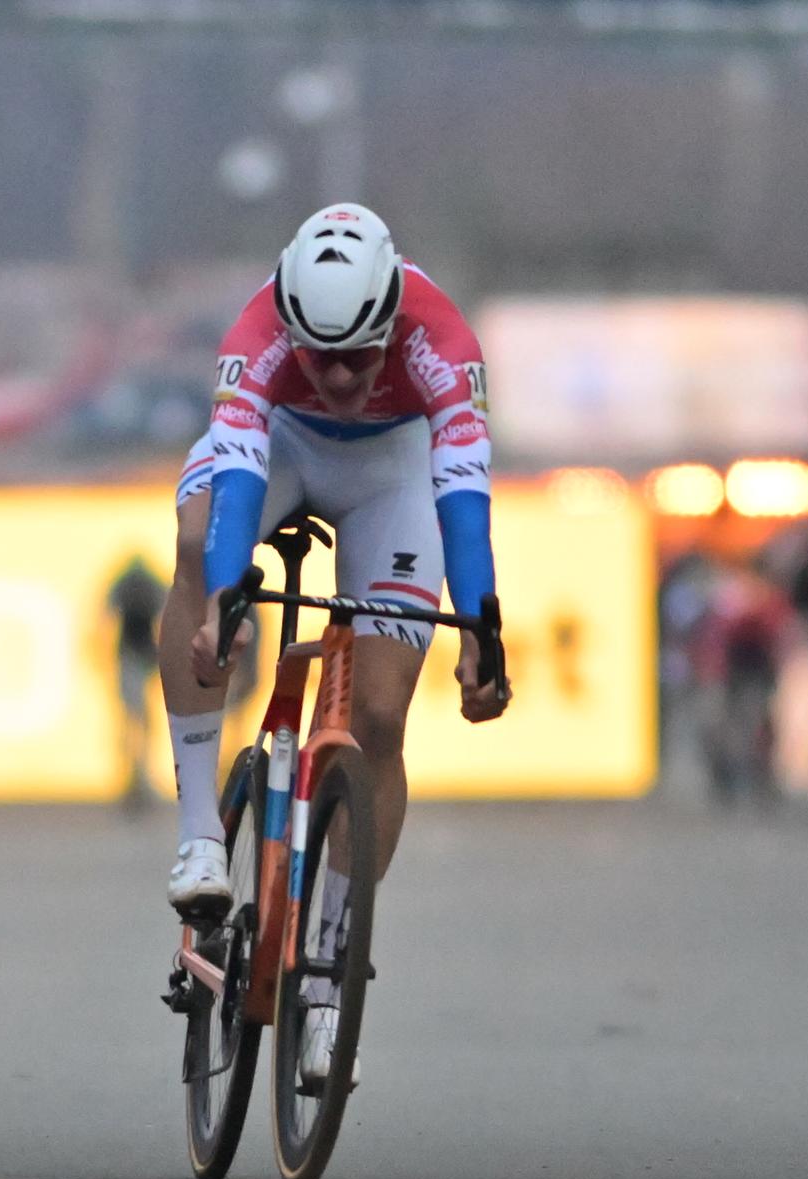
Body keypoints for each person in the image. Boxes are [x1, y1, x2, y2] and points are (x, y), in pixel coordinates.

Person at [157, 204, 509, 1085]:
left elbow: (463, 496)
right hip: (279, 448)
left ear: (392, 319)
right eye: (324, 356)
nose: (345, 375)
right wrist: (227, 596)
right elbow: (236, 467)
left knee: (382, 715)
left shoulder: (445, 342)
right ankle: (202, 832)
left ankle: (331, 968)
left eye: (362, 355)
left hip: (393, 467)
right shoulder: (259, 332)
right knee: (201, 541)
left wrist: (482, 624)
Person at [106, 553, 165, 805]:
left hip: (135, 655)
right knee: (136, 720)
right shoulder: (148, 585)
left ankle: (137, 772)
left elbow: (105, 615)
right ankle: (133, 772)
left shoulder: (128, 586)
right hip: (134, 655)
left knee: (138, 720)